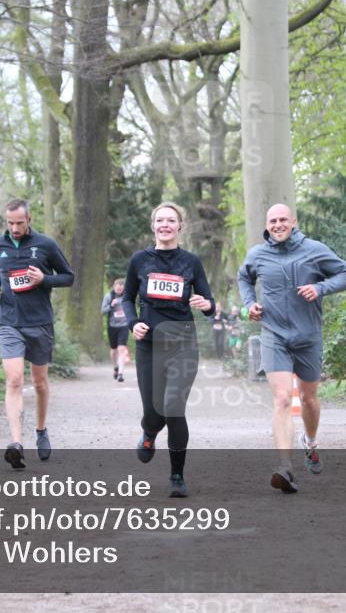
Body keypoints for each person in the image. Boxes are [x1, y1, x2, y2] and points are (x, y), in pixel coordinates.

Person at [237, 203, 346, 493]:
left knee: (309, 399)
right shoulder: (258, 254)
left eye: (283, 220)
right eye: (273, 221)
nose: (277, 225)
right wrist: (249, 304)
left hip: (308, 337)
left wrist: (320, 288)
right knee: (282, 399)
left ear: (293, 222)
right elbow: (244, 278)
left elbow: (345, 275)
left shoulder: (314, 250)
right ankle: (285, 467)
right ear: (267, 225)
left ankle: (310, 443)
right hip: (274, 335)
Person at [121, 202, 215, 498]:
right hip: (149, 345)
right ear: (153, 226)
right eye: (160, 220)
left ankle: (177, 475)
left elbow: (209, 303)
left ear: (179, 226)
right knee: (154, 413)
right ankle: (149, 432)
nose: (165, 225)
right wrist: (133, 323)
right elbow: (126, 298)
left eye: (171, 220)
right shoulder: (139, 260)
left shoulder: (191, 262)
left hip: (182, 344)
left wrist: (205, 304)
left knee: (173, 407)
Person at [0, 198, 74, 469]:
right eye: (10, 223)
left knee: (39, 383)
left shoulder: (45, 244)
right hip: (9, 322)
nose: (14, 229)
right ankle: (16, 444)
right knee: (14, 380)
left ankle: (40, 430)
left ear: (29, 219)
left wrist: (44, 279)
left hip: (39, 323)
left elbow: (68, 276)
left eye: (19, 223)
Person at [101, 278, 130, 382]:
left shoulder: (127, 296)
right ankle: (115, 367)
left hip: (124, 326)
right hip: (112, 326)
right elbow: (103, 311)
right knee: (114, 350)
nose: (119, 290)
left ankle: (120, 374)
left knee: (121, 349)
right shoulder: (109, 296)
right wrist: (111, 305)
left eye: (121, 289)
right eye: (117, 288)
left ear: (124, 288)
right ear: (114, 287)